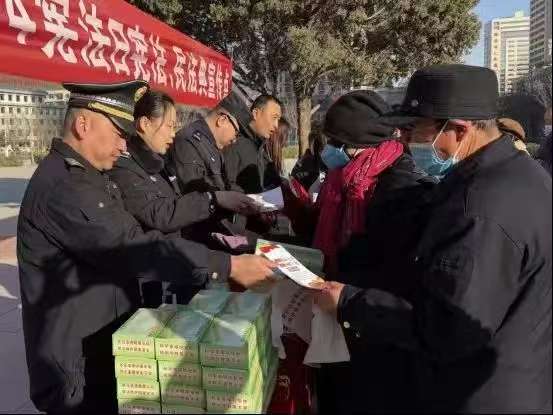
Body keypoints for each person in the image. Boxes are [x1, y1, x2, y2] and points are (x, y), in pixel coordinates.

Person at [17, 80, 277, 414]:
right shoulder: (65, 187)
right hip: (76, 367)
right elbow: (133, 247)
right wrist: (227, 266)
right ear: (83, 125)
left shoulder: (90, 176)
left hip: (101, 345)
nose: (123, 144)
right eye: (118, 133)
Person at [315, 65, 552, 413]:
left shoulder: (479, 209)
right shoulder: (523, 174)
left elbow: (448, 328)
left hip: (478, 394)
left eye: (414, 129)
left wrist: (350, 302)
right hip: (521, 379)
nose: (405, 140)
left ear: (459, 129)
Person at [107, 90, 260, 303]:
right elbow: (161, 214)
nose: (173, 133)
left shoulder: (155, 162)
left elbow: (177, 203)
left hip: (178, 264)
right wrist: (213, 199)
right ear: (145, 124)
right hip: (153, 275)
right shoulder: (124, 167)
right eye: (169, 126)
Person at [169, 91, 256, 249]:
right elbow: (194, 194)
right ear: (222, 120)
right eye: (236, 133)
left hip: (214, 229)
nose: (235, 140)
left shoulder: (212, 145)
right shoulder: (188, 142)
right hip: (196, 238)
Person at [224, 94, 283, 194]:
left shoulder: (260, 145)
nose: (276, 125)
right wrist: (254, 197)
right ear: (255, 114)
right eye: (274, 117)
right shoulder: (234, 143)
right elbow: (226, 186)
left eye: (278, 120)